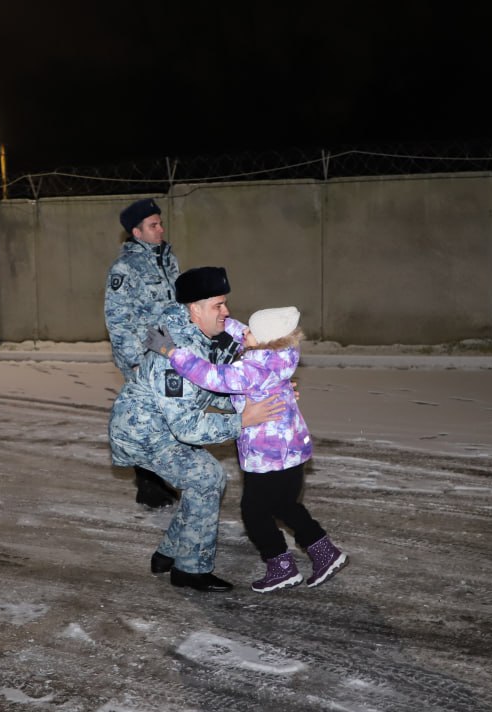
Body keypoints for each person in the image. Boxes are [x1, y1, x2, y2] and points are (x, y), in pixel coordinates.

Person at [146, 306, 347, 592]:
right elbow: (244, 331)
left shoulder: (251, 369)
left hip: (266, 456)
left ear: (264, 340)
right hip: (291, 451)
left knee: (253, 512)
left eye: (251, 332)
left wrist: (171, 352)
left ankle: (281, 567)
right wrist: (222, 320)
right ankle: (325, 552)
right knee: (286, 505)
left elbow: (210, 376)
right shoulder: (283, 354)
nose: (244, 334)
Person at [108, 267, 283, 592]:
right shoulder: (173, 355)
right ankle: (189, 570)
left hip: (163, 426)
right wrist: (243, 420)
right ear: (195, 309)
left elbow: (214, 386)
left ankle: (169, 553)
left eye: (224, 303)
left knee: (206, 478)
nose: (226, 311)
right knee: (205, 478)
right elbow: (187, 426)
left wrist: (264, 398)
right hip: (143, 433)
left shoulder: (200, 337)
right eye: (218, 305)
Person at [104, 197, 184, 509]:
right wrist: (134, 361)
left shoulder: (167, 260)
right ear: (137, 232)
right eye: (153, 225)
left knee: (168, 416)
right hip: (144, 356)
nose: (160, 229)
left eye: (160, 223)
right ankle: (148, 485)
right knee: (149, 418)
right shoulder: (125, 268)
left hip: (169, 352)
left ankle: (158, 479)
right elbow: (118, 320)